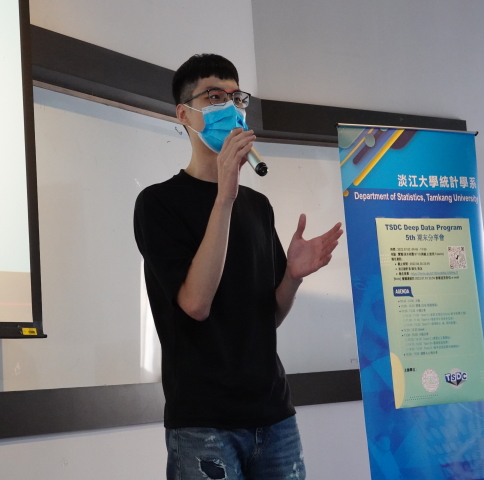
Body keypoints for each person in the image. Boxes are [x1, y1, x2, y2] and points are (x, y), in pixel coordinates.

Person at [133, 54, 343, 480]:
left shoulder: (258, 205)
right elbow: (195, 304)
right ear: (184, 114)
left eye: (236, 97)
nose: (230, 108)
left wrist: (292, 277)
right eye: (214, 97)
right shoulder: (157, 204)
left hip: (274, 414)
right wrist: (224, 196)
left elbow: (270, 317)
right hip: (203, 421)